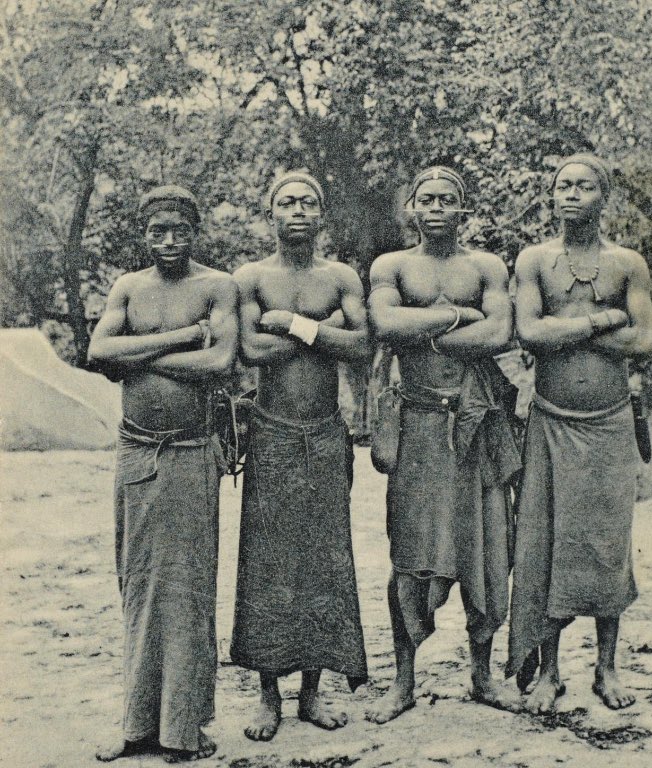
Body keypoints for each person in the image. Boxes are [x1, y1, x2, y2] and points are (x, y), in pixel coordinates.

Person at [366, 166, 521, 724]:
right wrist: (460, 316)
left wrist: (426, 330)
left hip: (479, 427)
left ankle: (482, 675)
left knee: (487, 551)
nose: (435, 208)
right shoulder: (391, 265)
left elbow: (499, 333)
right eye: (425, 199)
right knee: (411, 556)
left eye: (446, 199)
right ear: (411, 207)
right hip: (419, 426)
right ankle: (402, 682)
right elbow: (385, 324)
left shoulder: (486, 266)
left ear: (462, 209)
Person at [89, 185, 238, 763]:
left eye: (180, 230)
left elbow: (218, 361)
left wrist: (137, 353)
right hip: (136, 451)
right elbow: (99, 352)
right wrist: (181, 337)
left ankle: (182, 729)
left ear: (195, 231)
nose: (169, 241)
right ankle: (136, 727)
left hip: (192, 452)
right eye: (158, 231)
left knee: (188, 589)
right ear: (143, 235)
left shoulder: (217, 286)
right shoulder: (128, 287)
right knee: (137, 584)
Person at [506, 153, 652, 713]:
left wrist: (563, 328)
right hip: (550, 421)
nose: (571, 194)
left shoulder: (627, 264)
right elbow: (529, 333)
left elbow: (644, 341)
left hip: (611, 424)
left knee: (606, 544)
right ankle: (548, 671)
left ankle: (606, 667)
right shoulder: (534, 261)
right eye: (563, 186)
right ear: (552, 196)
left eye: (584, 186)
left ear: (603, 197)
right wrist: (600, 320)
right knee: (547, 545)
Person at [230, 171, 369, 741]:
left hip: (326, 434)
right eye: (286, 202)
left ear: (321, 213)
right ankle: (268, 694)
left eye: (308, 202)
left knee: (323, 560)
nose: (298, 211)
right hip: (272, 434)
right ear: (270, 214)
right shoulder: (250, 277)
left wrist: (291, 323)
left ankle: (311, 691)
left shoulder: (340, 276)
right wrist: (322, 329)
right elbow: (250, 349)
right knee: (268, 562)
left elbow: (361, 344)